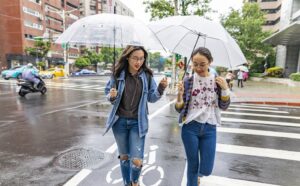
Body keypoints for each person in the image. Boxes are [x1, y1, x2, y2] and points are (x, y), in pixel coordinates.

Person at [104, 45, 168, 186]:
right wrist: (112, 96)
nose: (138, 62)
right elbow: (108, 94)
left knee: (137, 160)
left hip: (137, 123)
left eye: (141, 58)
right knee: (124, 157)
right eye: (135, 58)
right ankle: (127, 183)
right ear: (127, 58)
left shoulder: (147, 76)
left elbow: (152, 98)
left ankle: (134, 181)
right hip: (119, 122)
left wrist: (161, 88)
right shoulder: (117, 74)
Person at [175, 47, 230, 186]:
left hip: (209, 128)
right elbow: (179, 108)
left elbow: (224, 106)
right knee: (192, 165)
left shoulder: (217, 82)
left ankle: (199, 176)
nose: (198, 68)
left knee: (206, 169)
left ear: (210, 62)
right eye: (195, 64)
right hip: (190, 127)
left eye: (202, 64)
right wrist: (179, 94)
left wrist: (225, 89)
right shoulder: (188, 81)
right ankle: (193, 180)